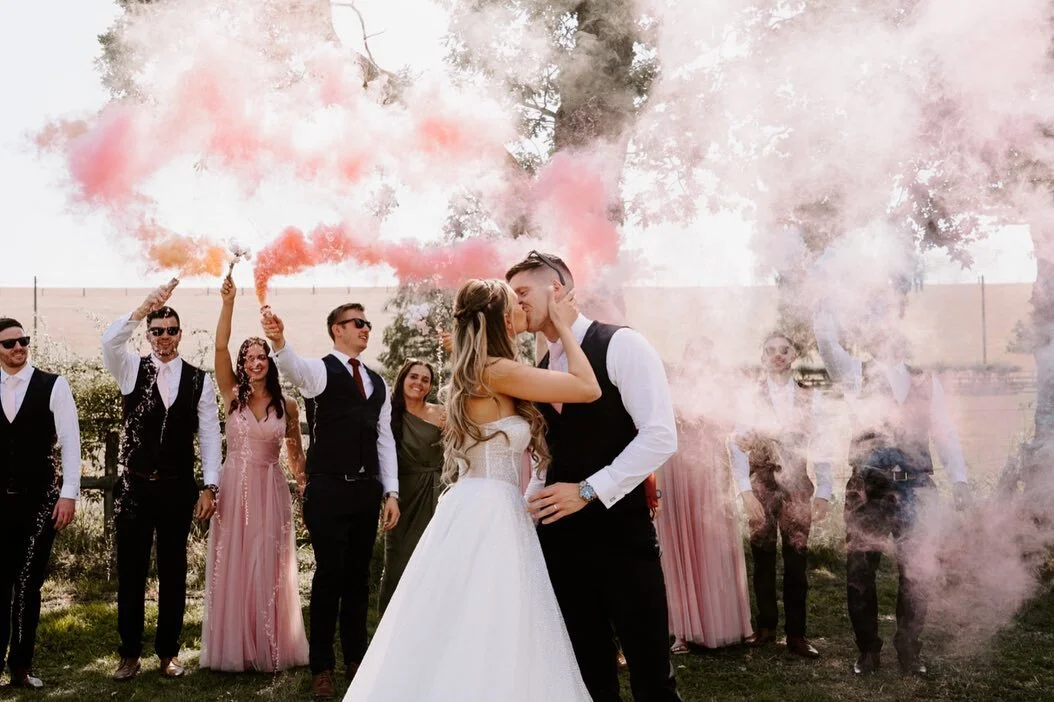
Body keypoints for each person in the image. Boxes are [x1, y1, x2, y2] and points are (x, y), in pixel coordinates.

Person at [344, 278, 598, 701]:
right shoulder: (495, 371)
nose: (522, 308)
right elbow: (587, 388)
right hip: (490, 510)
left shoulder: (481, 368)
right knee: (491, 614)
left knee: (475, 615)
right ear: (500, 319)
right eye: (515, 303)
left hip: (481, 503)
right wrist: (563, 326)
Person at [507, 251, 682, 702]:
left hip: (622, 537)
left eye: (522, 292)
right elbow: (547, 454)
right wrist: (528, 508)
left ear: (557, 289)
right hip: (560, 543)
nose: (515, 302)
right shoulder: (539, 370)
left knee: (652, 677)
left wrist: (588, 490)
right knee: (587, 676)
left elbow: (660, 436)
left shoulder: (623, 344)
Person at [814, 305, 969, 676]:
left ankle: (909, 649)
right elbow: (826, 343)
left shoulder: (925, 381)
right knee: (860, 574)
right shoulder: (854, 372)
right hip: (867, 488)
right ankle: (868, 650)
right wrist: (823, 300)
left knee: (917, 572)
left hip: (917, 487)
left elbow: (944, 431)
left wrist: (960, 479)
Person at [261, 302, 399, 699]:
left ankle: (356, 658)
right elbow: (292, 369)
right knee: (329, 576)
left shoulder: (378, 382)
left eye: (367, 323)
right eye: (358, 323)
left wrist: (390, 491)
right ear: (337, 329)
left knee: (358, 578)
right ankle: (321, 665)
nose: (365, 329)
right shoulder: (320, 371)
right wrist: (279, 341)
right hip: (327, 490)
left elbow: (385, 440)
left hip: (366, 491)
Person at [101, 279, 222, 681]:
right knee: (131, 572)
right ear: (148, 334)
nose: (164, 337)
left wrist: (210, 486)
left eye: (171, 330)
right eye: (157, 330)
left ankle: (168, 653)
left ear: (180, 334)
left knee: (173, 571)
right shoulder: (129, 368)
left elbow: (209, 435)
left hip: (177, 486)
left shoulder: (199, 380)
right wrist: (141, 308)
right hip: (134, 487)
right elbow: (109, 343)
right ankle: (129, 654)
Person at [200, 275, 309, 672]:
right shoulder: (232, 394)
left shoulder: (288, 405)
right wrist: (228, 303)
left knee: (270, 561)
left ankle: (271, 643)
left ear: (270, 362)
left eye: (262, 356)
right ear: (242, 365)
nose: (256, 362)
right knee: (235, 560)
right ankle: (237, 645)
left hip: (271, 486)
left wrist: (304, 487)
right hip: (235, 484)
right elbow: (219, 347)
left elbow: (295, 454)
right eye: (249, 358)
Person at [728, 332, 832, 659]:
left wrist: (824, 490)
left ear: (793, 355)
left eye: (784, 350)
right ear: (763, 357)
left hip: (797, 486)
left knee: (796, 561)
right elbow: (736, 444)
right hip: (761, 485)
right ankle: (766, 628)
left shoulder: (811, 397)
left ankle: (797, 635)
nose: (777, 355)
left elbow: (822, 444)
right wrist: (745, 492)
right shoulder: (749, 397)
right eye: (771, 350)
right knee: (762, 560)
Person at [656, 337, 753, 652]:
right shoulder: (669, 388)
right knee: (679, 543)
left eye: (705, 355)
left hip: (709, 469)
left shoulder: (721, 390)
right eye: (693, 354)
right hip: (676, 470)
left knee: (714, 542)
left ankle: (727, 623)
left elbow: (733, 427)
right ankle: (683, 630)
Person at [0, 319, 80, 689]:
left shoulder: (53, 385)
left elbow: (71, 442)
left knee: (28, 586)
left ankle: (20, 666)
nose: (18, 347)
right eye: (9, 343)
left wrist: (69, 494)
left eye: (23, 340)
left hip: (40, 504)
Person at [377, 358, 444, 615]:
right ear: (403, 379)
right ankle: (389, 625)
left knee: (432, 564)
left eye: (425, 380)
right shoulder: (387, 414)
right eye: (413, 377)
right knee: (397, 563)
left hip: (436, 493)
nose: (419, 383)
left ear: (430, 386)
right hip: (401, 496)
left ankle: (427, 622)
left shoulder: (441, 413)